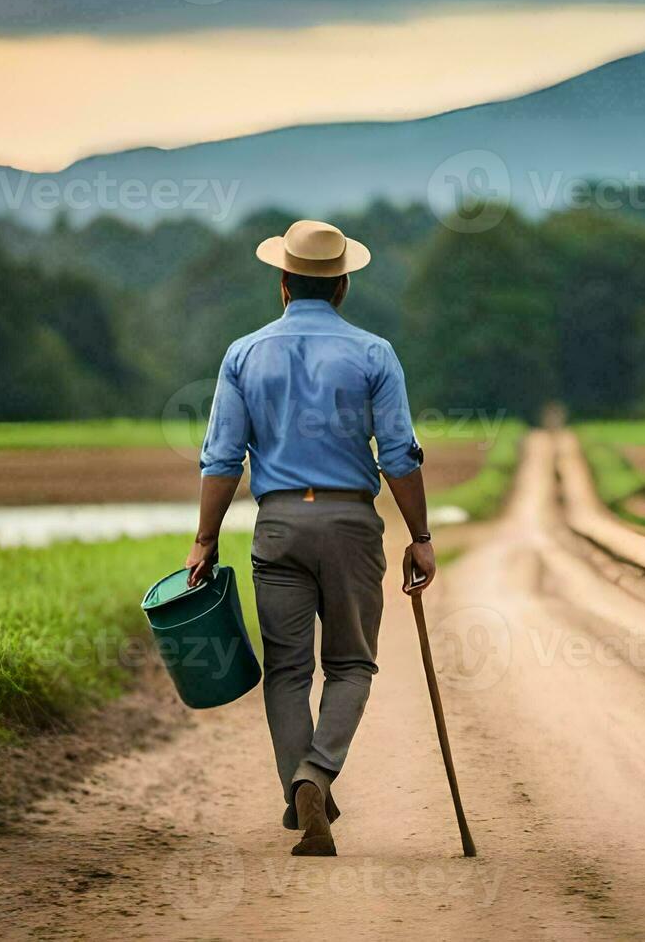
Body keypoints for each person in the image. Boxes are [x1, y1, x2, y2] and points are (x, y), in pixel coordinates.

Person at [185, 219, 436, 857]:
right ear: (343, 285)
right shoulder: (375, 353)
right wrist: (421, 535)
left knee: (287, 672)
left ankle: (300, 788)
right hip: (351, 525)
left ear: (283, 284)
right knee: (351, 663)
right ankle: (316, 775)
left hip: (278, 525)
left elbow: (222, 459)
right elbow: (400, 456)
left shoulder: (243, 354)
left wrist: (204, 540)